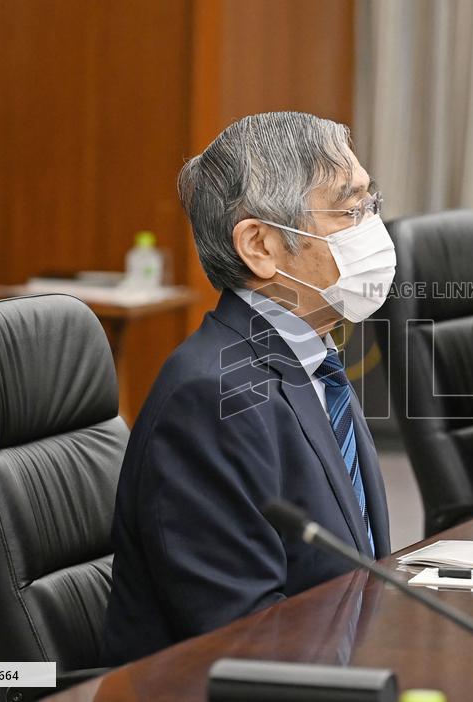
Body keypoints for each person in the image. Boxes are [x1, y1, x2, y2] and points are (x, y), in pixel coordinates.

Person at [102, 111, 394, 664]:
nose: (372, 230)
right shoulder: (212, 399)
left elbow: (356, 570)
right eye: (348, 209)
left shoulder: (312, 358)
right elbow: (249, 637)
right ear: (260, 246)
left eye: (370, 204)